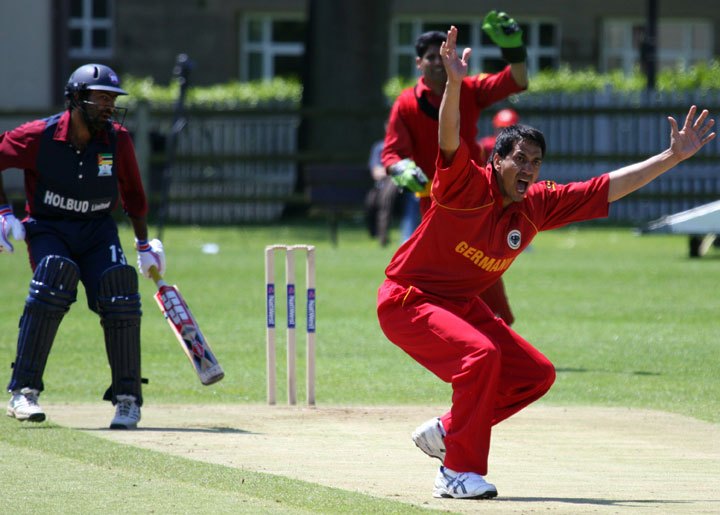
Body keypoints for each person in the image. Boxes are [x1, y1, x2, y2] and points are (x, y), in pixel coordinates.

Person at [376, 26, 715, 500]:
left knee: (534, 374)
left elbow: (608, 185)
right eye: (520, 159)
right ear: (496, 162)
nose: (530, 168)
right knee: (481, 356)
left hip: (460, 304)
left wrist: (671, 156)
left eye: (536, 161)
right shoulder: (462, 185)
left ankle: (446, 433)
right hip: (408, 300)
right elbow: (448, 132)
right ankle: (456, 472)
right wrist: (454, 83)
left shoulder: (537, 205)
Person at [0, 63, 166, 429]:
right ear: (75, 98)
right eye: (100, 98)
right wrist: (3, 213)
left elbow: (134, 194)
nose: (108, 106)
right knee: (53, 279)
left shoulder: (117, 139)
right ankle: (23, 393)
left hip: (97, 231)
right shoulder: (39, 136)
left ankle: (127, 400)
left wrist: (143, 245)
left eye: (112, 99)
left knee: (120, 290)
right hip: (49, 228)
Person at [382, 10, 528, 325]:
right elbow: (391, 154)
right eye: (431, 57)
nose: (438, 61)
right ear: (419, 63)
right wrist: (402, 170)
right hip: (431, 200)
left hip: (475, 196)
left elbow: (517, 80)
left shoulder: (471, 89)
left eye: (443, 55)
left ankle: (496, 327)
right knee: (442, 270)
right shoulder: (406, 103)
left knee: (481, 264)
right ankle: (444, 328)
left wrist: (514, 49)